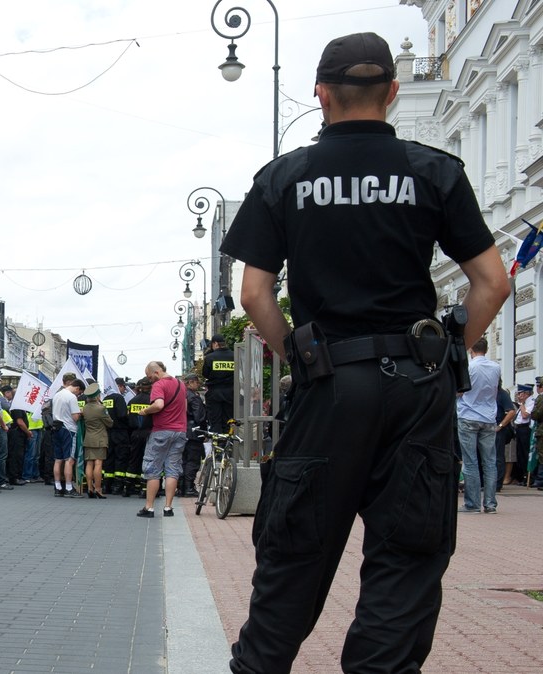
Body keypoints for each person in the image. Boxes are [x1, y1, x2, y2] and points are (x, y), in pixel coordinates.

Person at [219, 33, 509, 673]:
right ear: (393, 94)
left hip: (331, 382)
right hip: (416, 387)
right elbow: (493, 281)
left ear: (321, 94)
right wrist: (445, 354)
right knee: (406, 562)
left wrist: (300, 359)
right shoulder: (435, 171)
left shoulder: (285, 177)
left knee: (295, 555)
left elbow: (254, 294)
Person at [134, 362, 186, 517]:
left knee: (153, 469)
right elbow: (185, 407)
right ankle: (168, 508)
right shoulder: (180, 384)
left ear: (156, 372)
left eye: (150, 377)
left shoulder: (159, 385)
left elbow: (159, 405)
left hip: (162, 431)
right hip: (180, 431)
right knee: (172, 469)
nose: (150, 381)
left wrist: (145, 410)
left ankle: (149, 508)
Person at [458, 338, 501, 513]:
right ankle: (490, 504)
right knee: (490, 462)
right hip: (489, 417)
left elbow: (460, 391)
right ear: (487, 348)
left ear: (471, 350)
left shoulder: (469, 367)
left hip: (468, 415)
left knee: (470, 462)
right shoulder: (496, 367)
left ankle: (472, 504)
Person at [79, 382, 113, 498]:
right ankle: (98, 489)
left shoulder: (85, 408)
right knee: (98, 463)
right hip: (100, 439)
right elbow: (110, 423)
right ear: (98, 396)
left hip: (88, 438)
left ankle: (89, 488)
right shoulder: (101, 408)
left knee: (89, 463)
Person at [51, 379, 83, 497]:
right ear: (77, 388)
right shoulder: (71, 397)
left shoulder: (57, 395)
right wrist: (81, 413)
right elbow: (75, 417)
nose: (78, 395)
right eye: (79, 393)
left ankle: (58, 487)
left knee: (58, 459)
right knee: (69, 460)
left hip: (56, 427)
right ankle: (69, 487)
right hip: (68, 429)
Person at [181, 373, 208, 497]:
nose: (198, 384)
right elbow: (199, 417)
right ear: (190, 382)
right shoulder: (194, 397)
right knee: (193, 460)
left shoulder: (181, 395)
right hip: (193, 432)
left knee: (183, 460)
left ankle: (181, 487)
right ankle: (189, 487)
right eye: (196, 382)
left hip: (182, 431)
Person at [202, 335, 235, 434]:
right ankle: (228, 445)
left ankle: (218, 445)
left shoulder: (210, 357)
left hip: (214, 392)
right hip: (231, 392)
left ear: (215, 343)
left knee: (215, 421)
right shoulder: (234, 355)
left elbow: (205, 374)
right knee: (229, 420)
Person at [510, 384, 533, 486]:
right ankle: (522, 477)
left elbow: (525, 415)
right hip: (519, 429)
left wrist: (522, 404)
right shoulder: (524, 403)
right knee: (520, 454)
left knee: (525, 453)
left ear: (526, 394)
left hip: (525, 429)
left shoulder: (530, 402)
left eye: (520, 393)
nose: (519, 395)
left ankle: (528, 477)